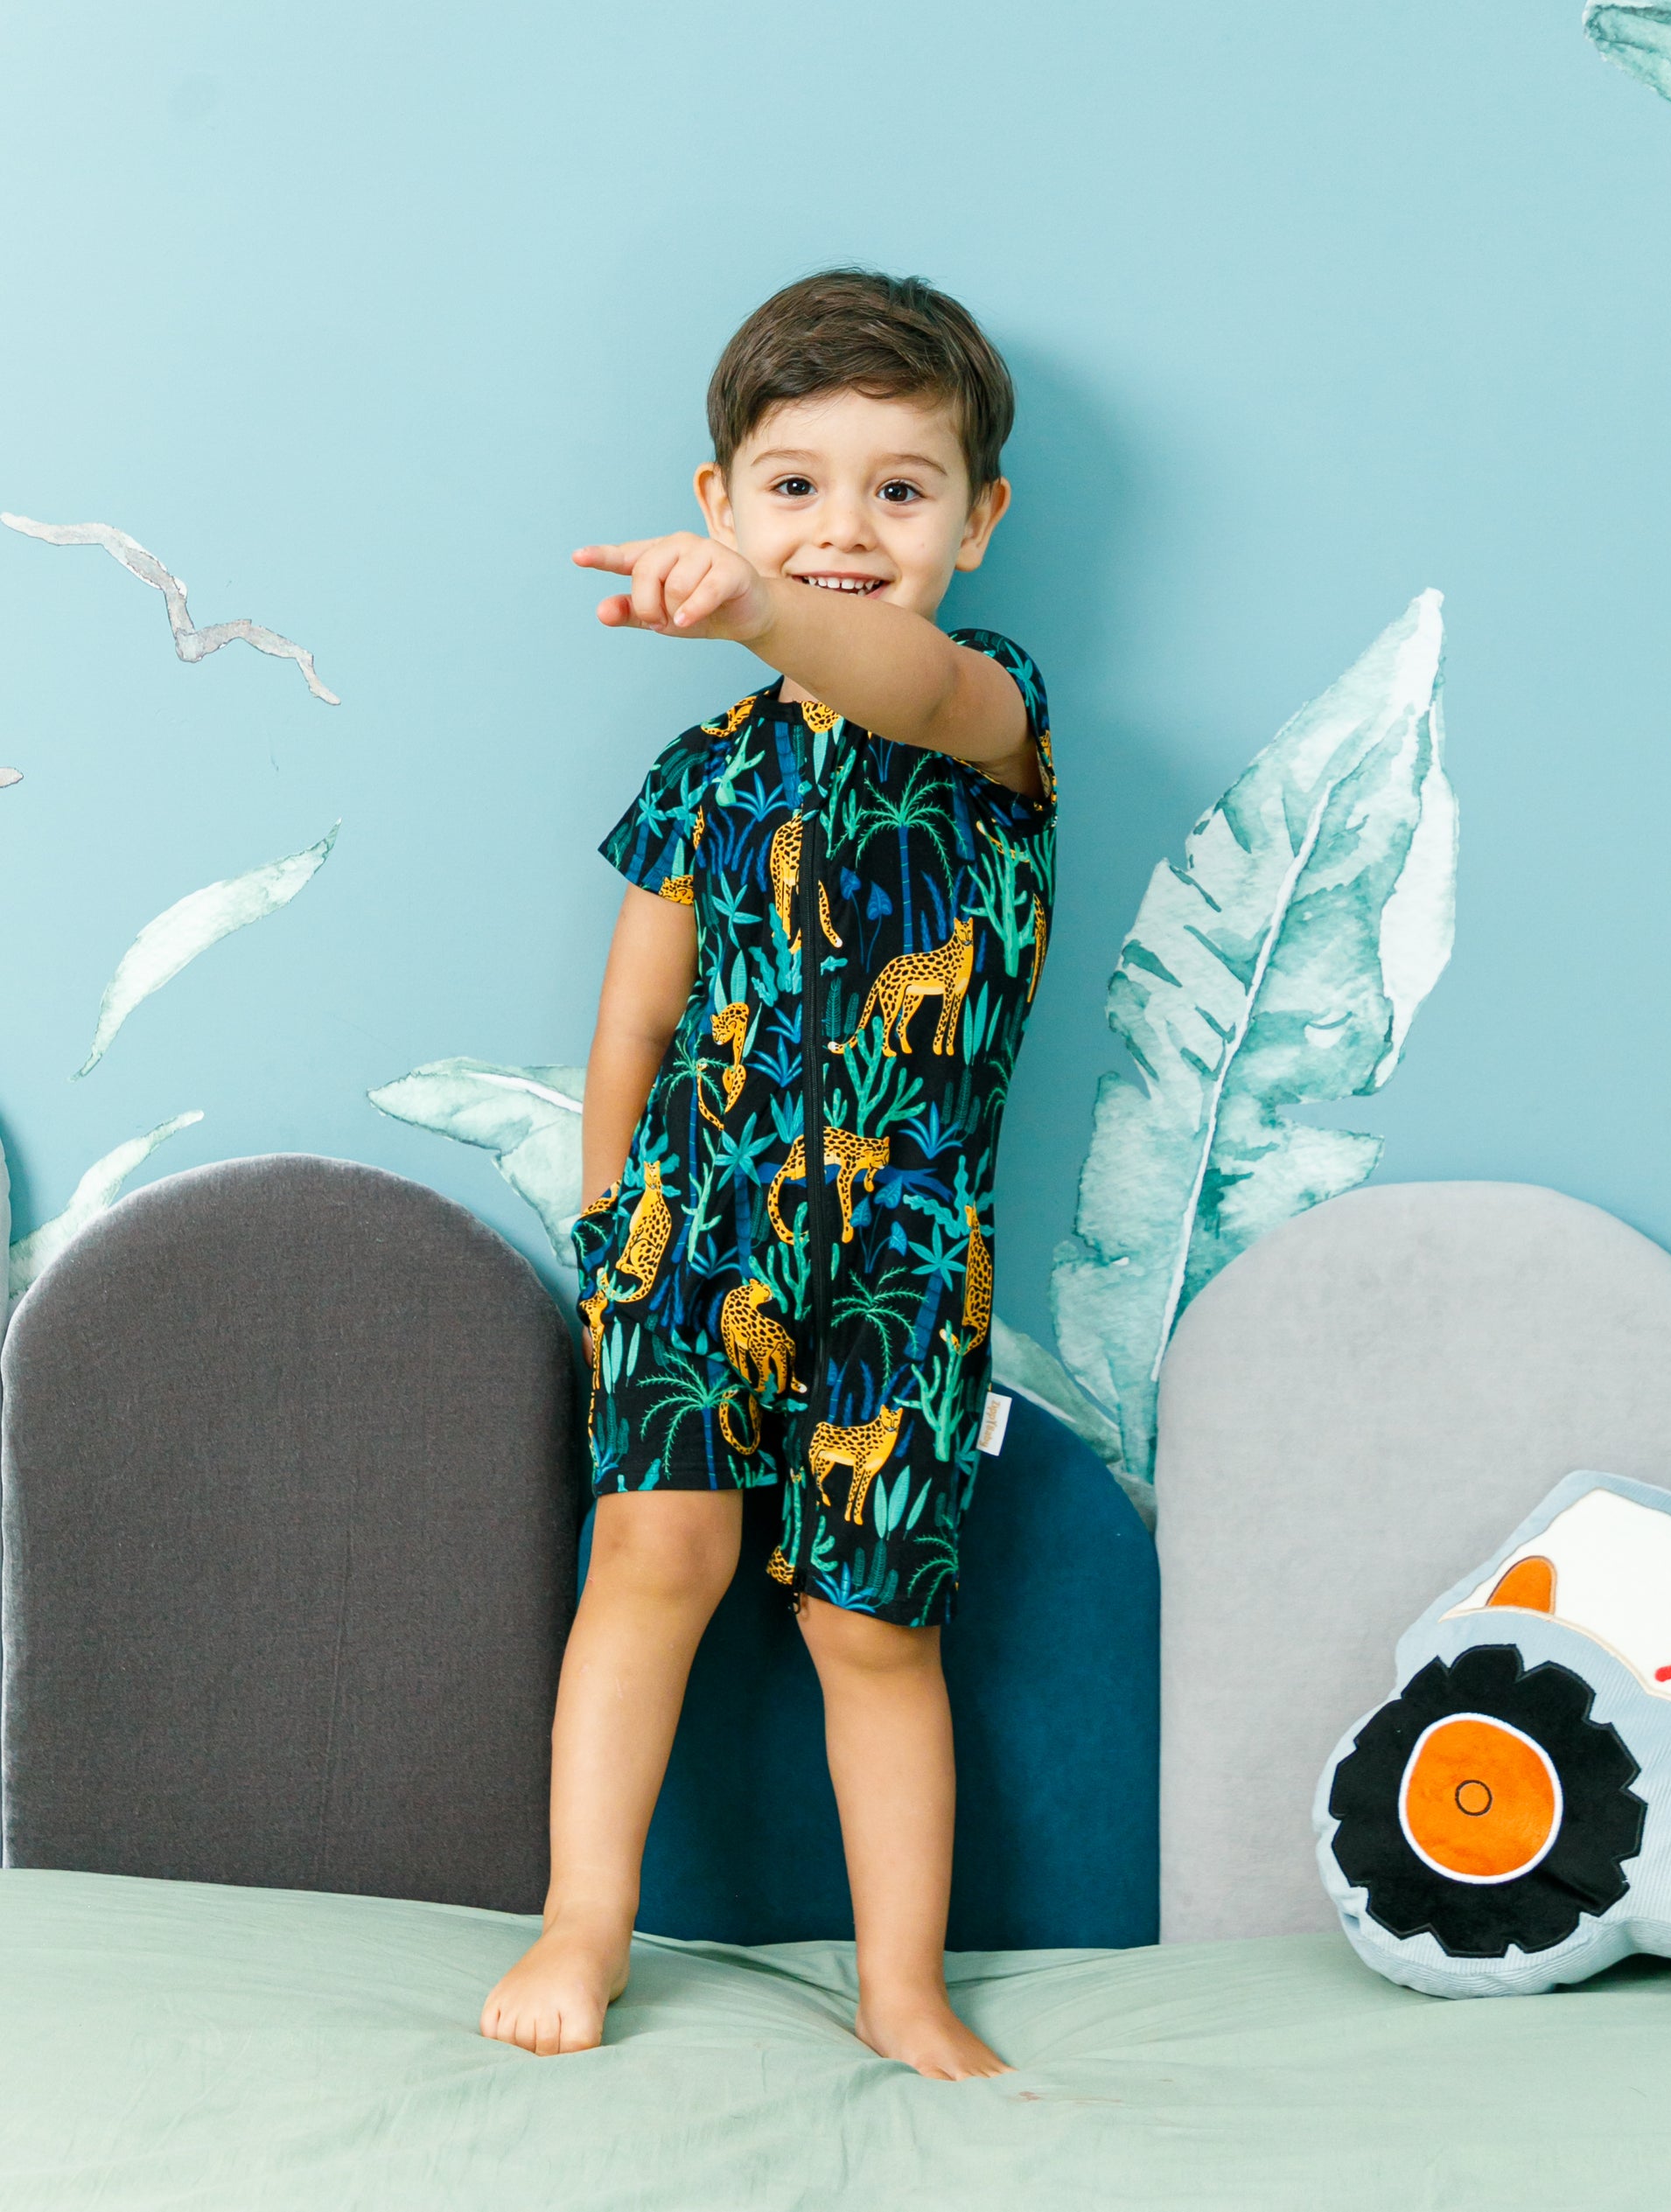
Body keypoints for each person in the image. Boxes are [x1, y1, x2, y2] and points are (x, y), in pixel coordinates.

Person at [480, 269, 1056, 2080]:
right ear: (718, 498)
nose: (846, 528)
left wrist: (754, 610)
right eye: (795, 485)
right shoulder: (699, 775)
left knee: (868, 1624)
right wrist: (611, 1232)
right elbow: (635, 1021)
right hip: (687, 1233)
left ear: (976, 519)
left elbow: (893, 672)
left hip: (903, 1256)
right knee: (650, 1554)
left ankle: (901, 1983)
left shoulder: (990, 717)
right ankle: (585, 1915)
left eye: (901, 489)